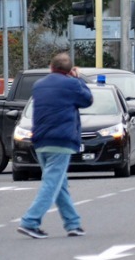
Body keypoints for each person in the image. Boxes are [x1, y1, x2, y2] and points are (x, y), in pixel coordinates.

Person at [17, 53, 93, 239]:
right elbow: (87, 100)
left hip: (41, 140)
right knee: (52, 184)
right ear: (69, 70)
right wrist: (78, 79)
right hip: (62, 140)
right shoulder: (72, 84)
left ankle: (72, 224)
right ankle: (30, 222)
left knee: (59, 184)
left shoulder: (39, 85)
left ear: (51, 68)